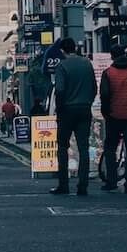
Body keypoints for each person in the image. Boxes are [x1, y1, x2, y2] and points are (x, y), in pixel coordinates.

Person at [49, 38, 97, 195]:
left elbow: (60, 90)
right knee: (83, 147)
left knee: (62, 146)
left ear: (62, 51)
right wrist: (87, 102)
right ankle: (83, 186)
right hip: (84, 109)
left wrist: (60, 109)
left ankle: (64, 185)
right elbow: (94, 88)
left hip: (67, 110)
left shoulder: (62, 66)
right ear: (75, 48)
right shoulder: (87, 63)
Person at [99, 47, 127, 191]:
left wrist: (106, 111)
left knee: (110, 148)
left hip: (114, 115)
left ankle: (111, 180)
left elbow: (104, 95)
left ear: (112, 56)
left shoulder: (108, 73)